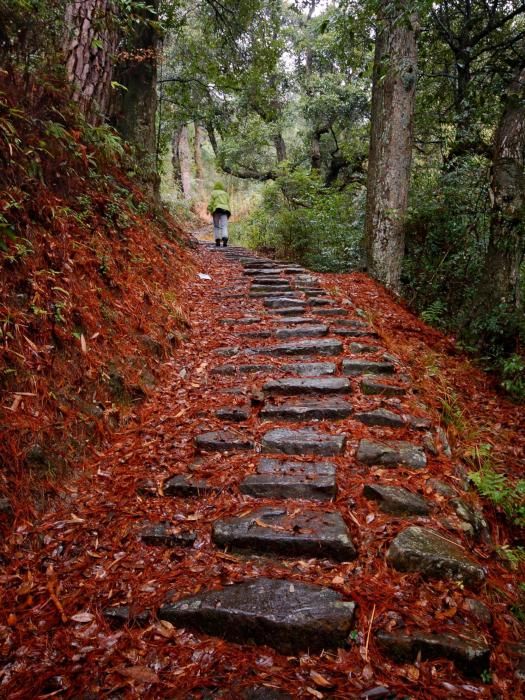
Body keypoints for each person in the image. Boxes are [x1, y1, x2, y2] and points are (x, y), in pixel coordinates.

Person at [207, 181, 231, 247]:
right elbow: (228, 204)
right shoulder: (226, 194)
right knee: (224, 226)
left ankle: (217, 239)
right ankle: (225, 237)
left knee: (216, 226)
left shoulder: (213, 193)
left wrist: (208, 210)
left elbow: (211, 203)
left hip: (216, 210)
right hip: (225, 211)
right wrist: (229, 213)